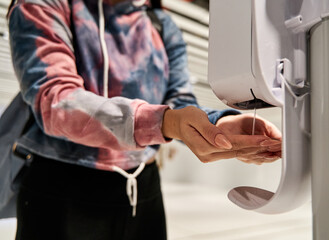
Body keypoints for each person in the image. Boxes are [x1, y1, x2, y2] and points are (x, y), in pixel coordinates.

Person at [7, 0, 282, 239]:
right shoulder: (45, 4)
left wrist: (218, 124)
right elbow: (57, 101)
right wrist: (164, 122)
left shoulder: (160, 23)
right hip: (60, 185)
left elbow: (180, 102)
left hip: (143, 185)